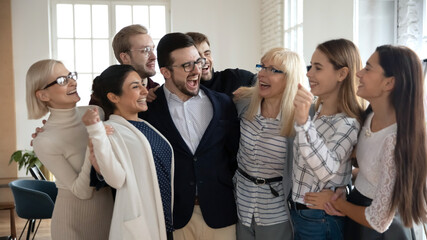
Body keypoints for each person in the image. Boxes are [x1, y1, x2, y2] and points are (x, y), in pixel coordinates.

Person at [305, 45, 427, 239]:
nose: (359, 73)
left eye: (368, 68)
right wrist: (343, 188)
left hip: (377, 230)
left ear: (389, 83)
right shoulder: (369, 117)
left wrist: (337, 203)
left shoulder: (394, 140)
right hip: (356, 211)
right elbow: (373, 171)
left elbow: (379, 220)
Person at [139, 32, 240, 240]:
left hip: (221, 213)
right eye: (187, 65)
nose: (197, 70)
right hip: (175, 218)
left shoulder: (222, 104)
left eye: (199, 61)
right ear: (165, 71)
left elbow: (233, 155)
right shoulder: (149, 112)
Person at [82, 64, 174, 240]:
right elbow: (116, 179)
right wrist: (95, 131)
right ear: (113, 97)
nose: (144, 91)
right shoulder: (109, 131)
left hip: (164, 221)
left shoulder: (145, 126)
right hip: (141, 227)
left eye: (142, 84)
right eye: (135, 86)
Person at [26, 59, 113, 239]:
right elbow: (81, 191)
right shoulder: (44, 141)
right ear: (43, 95)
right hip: (72, 224)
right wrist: (93, 142)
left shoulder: (96, 111)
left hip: (110, 214)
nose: (73, 82)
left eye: (70, 76)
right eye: (61, 80)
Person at [290, 39, 365, 239]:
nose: (308, 73)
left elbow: (327, 170)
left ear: (342, 74)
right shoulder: (319, 112)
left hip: (319, 218)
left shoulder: (348, 123)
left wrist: (304, 122)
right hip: (304, 214)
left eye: (318, 68)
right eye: (310, 66)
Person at [232, 48, 305, 240]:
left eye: (273, 70)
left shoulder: (301, 117)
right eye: (262, 66)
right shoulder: (244, 102)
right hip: (241, 205)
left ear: (289, 78)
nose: (262, 73)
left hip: (276, 212)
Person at [90, 24, 159, 105]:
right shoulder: (105, 93)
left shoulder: (156, 91)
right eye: (146, 50)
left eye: (152, 49)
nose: (154, 57)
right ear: (125, 57)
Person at [186, 32, 256, 96]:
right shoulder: (183, 91)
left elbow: (263, 82)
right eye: (197, 56)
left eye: (207, 54)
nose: (205, 60)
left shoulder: (233, 78)